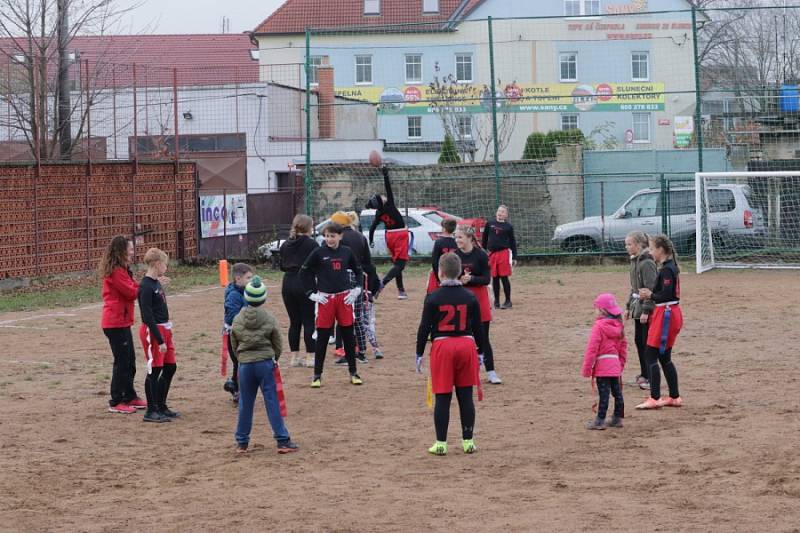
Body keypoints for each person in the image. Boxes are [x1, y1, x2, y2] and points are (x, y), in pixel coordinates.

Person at [415, 252, 484, 456]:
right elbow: (479, 328)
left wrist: (419, 352)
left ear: (440, 273)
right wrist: (481, 352)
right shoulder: (470, 297)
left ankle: (441, 444)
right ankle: (468, 441)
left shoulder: (433, 297)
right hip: (466, 345)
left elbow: (423, 328)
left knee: (443, 398)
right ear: (460, 271)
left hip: (443, 347)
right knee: (465, 396)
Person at [231, 275, 299, 454]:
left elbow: (234, 341)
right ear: (263, 298)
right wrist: (273, 358)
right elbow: (278, 342)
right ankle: (282, 440)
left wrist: (241, 357)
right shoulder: (269, 318)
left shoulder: (238, 318)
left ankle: (242, 442)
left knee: (245, 403)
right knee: (272, 401)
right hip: (265, 363)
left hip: (245, 364)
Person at [301, 222, 364, 387]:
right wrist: (311, 294)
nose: (329, 239)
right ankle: (317, 375)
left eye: (332, 236)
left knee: (348, 337)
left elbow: (359, 271)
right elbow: (304, 272)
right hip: (325, 299)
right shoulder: (318, 252)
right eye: (326, 236)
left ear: (340, 236)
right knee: (322, 337)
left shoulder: (347, 252)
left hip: (344, 299)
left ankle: (353, 372)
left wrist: (357, 289)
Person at [636, 234, 684, 410]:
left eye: (652, 248)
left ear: (661, 250)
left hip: (666, 315)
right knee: (664, 357)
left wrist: (650, 295)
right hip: (668, 313)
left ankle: (655, 397)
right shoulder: (670, 267)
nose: (650, 251)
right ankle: (674, 396)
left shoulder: (666, 270)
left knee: (650, 354)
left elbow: (665, 294)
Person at [99, 236, 146, 414]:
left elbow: (134, 286)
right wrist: (147, 285)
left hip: (122, 321)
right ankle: (116, 399)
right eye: (130, 250)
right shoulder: (116, 271)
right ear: (121, 251)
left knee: (130, 360)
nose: (133, 253)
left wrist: (144, 285)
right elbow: (130, 291)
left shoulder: (124, 270)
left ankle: (129, 395)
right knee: (122, 362)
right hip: (114, 323)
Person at [454, 224, 501, 385]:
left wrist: (472, 279)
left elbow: (487, 279)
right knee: (463, 338)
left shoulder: (480, 255)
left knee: (483, 338)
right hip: (461, 300)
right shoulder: (454, 256)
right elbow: (449, 277)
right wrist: (459, 279)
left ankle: (491, 372)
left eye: (459, 237)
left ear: (469, 238)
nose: (457, 240)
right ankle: (463, 373)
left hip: (479, 300)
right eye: (455, 237)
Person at [137, 248, 179, 423]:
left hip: (164, 329)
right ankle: (151, 410)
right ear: (156, 264)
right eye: (164, 264)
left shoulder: (155, 282)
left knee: (170, 367)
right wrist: (159, 339)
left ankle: (161, 405)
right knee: (155, 370)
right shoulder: (145, 286)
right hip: (153, 331)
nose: (166, 267)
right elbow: (147, 316)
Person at [331, 211, 374, 365]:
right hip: (359, 278)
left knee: (345, 317)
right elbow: (368, 263)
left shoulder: (339, 239)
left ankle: (347, 352)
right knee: (358, 316)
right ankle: (361, 352)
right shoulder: (360, 237)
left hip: (342, 278)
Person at [581, 293, 628, 430]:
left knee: (604, 395)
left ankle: (600, 420)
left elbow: (592, 349)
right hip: (614, 366)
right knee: (617, 393)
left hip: (602, 367)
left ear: (602, 311)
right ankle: (617, 418)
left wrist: (587, 369)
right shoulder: (619, 327)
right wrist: (620, 365)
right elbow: (623, 349)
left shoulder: (599, 326)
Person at [279, 215, 318, 368]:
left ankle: (294, 358)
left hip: (287, 283)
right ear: (308, 227)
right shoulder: (312, 244)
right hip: (305, 282)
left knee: (294, 323)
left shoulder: (285, 244)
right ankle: (310, 358)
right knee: (309, 321)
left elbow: (282, 266)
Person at [367, 165, 409, 300]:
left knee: (397, 264)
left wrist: (371, 240)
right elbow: (388, 187)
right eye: (382, 196)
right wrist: (385, 173)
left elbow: (372, 227)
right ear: (382, 200)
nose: (384, 195)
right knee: (401, 264)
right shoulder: (389, 204)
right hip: (400, 234)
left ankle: (401, 291)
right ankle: (382, 283)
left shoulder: (379, 213)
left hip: (389, 236)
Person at [624, 231, 657, 391]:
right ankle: (644, 374)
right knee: (639, 341)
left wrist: (646, 310)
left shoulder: (647, 263)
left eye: (629, 244)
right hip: (637, 307)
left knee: (646, 342)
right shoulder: (634, 262)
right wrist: (628, 307)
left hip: (646, 309)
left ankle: (650, 377)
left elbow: (650, 288)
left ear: (638, 245)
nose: (627, 247)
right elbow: (634, 288)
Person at [222, 263, 254, 401]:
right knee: (241, 362)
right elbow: (231, 317)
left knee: (240, 362)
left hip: (242, 332)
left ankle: (234, 386)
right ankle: (239, 390)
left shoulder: (244, 291)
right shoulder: (234, 295)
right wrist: (245, 314)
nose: (251, 281)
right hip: (233, 334)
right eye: (248, 278)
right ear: (238, 278)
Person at [481, 205, 517, 309]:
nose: (500, 213)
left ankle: (508, 301)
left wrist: (514, 256)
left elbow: (512, 242)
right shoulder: (490, 224)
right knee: (494, 278)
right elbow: (484, 238)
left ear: (506, 215)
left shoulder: (508, 227)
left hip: (504, 253)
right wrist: (483, 251)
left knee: (504, 277)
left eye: (503, 212)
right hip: (492, 254)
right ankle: (496, 301)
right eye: (499, 211)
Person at [427, 218, 458, 294]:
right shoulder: (456, 242)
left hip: (440, 272)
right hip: (453, 273)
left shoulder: (439, 242)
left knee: (433, 295)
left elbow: (435, 261)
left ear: (444, 229)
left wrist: (438, 278)